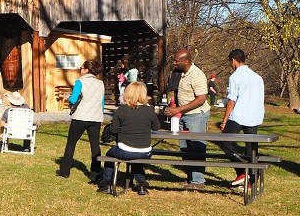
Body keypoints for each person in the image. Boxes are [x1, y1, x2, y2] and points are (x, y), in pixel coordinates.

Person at [99, 82, 160, 196]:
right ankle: (141, 184)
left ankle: (106, 183)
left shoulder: (122, 110)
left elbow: (114, 129)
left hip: (125, 149)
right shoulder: (149, 110)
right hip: (145, 151)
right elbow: (156, 127)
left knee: (109, 155)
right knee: (136, 158)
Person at [164, 49, 211, 187]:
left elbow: (201, 99)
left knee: (196, 147)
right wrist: (173, 105)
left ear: (186, 61)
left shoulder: (197, 75)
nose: (174, 63)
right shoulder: (180, 74)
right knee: (184, 147)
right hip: (184, 114)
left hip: (197, 115)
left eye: (176, 61)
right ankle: (190, 176)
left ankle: (198, 180)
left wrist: (178, 109)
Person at [219, 49, 265, 187]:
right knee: (251, 149)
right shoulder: (257, 77)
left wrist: (224, 120)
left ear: (233, 60)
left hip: (239, 115)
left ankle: (241, 170)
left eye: (230, 62)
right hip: (255, 116)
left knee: (224, 141)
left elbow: (232, 100)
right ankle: (251, 181)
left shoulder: (235, 77)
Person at [56, 59, 105, 179]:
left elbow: (73, 100)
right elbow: (102, 103)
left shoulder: (80, 82)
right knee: (95, 146)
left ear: (86, 70)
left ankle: (65, 170)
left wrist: (68, 98)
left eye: (81, 68)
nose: (80, 70)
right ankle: (95, 173)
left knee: (71, 143)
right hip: (96, 118)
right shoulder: (101, 83)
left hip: (81, 117)